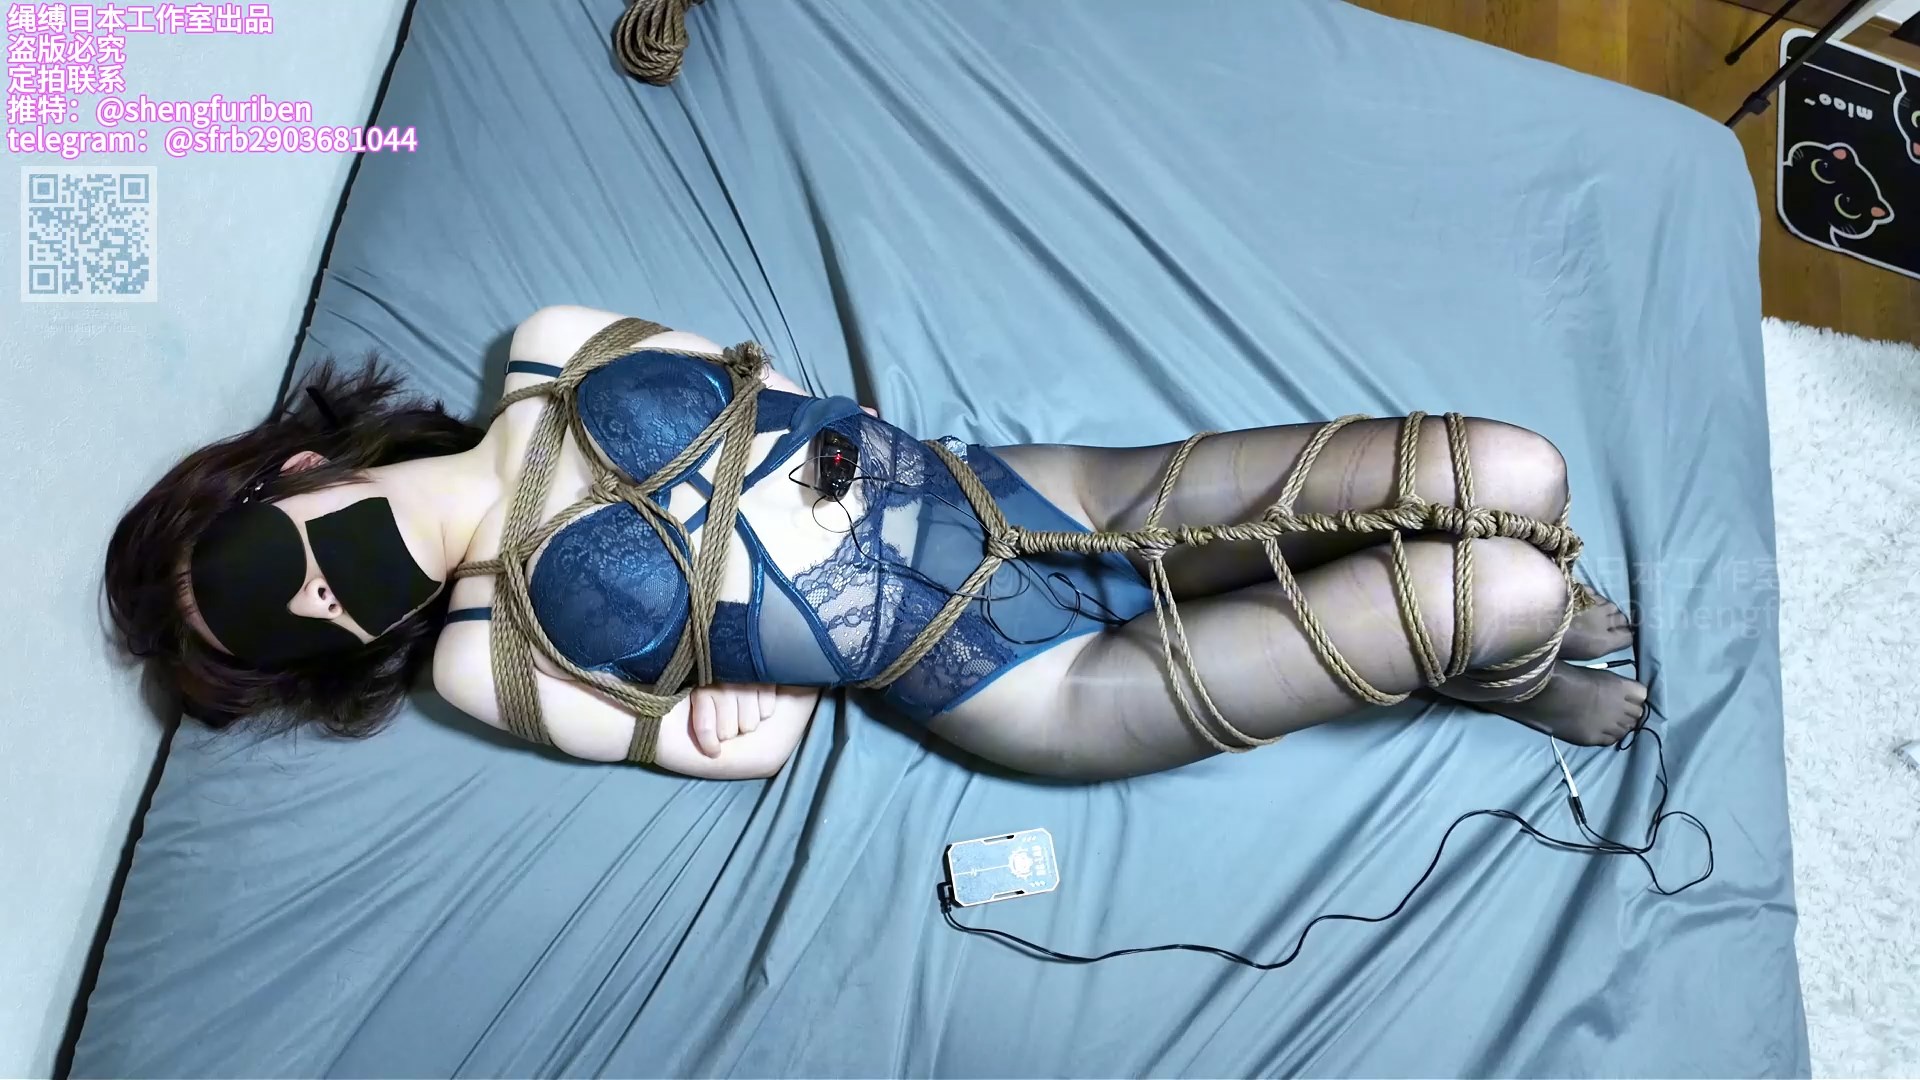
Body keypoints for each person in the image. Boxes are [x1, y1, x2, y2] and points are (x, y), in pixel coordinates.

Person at [105, 305, 1645, 782]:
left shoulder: (552, 348)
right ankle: (1505, 675)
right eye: (294, 625)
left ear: (291, 474)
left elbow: (766, 391)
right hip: (1019, 685)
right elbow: (744, 749)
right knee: (1504, 586)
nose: (320, 590)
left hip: (1041, 497)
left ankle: (1489, 643)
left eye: (269, 565)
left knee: (1518, 466)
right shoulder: (472, 662)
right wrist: (730, 717)